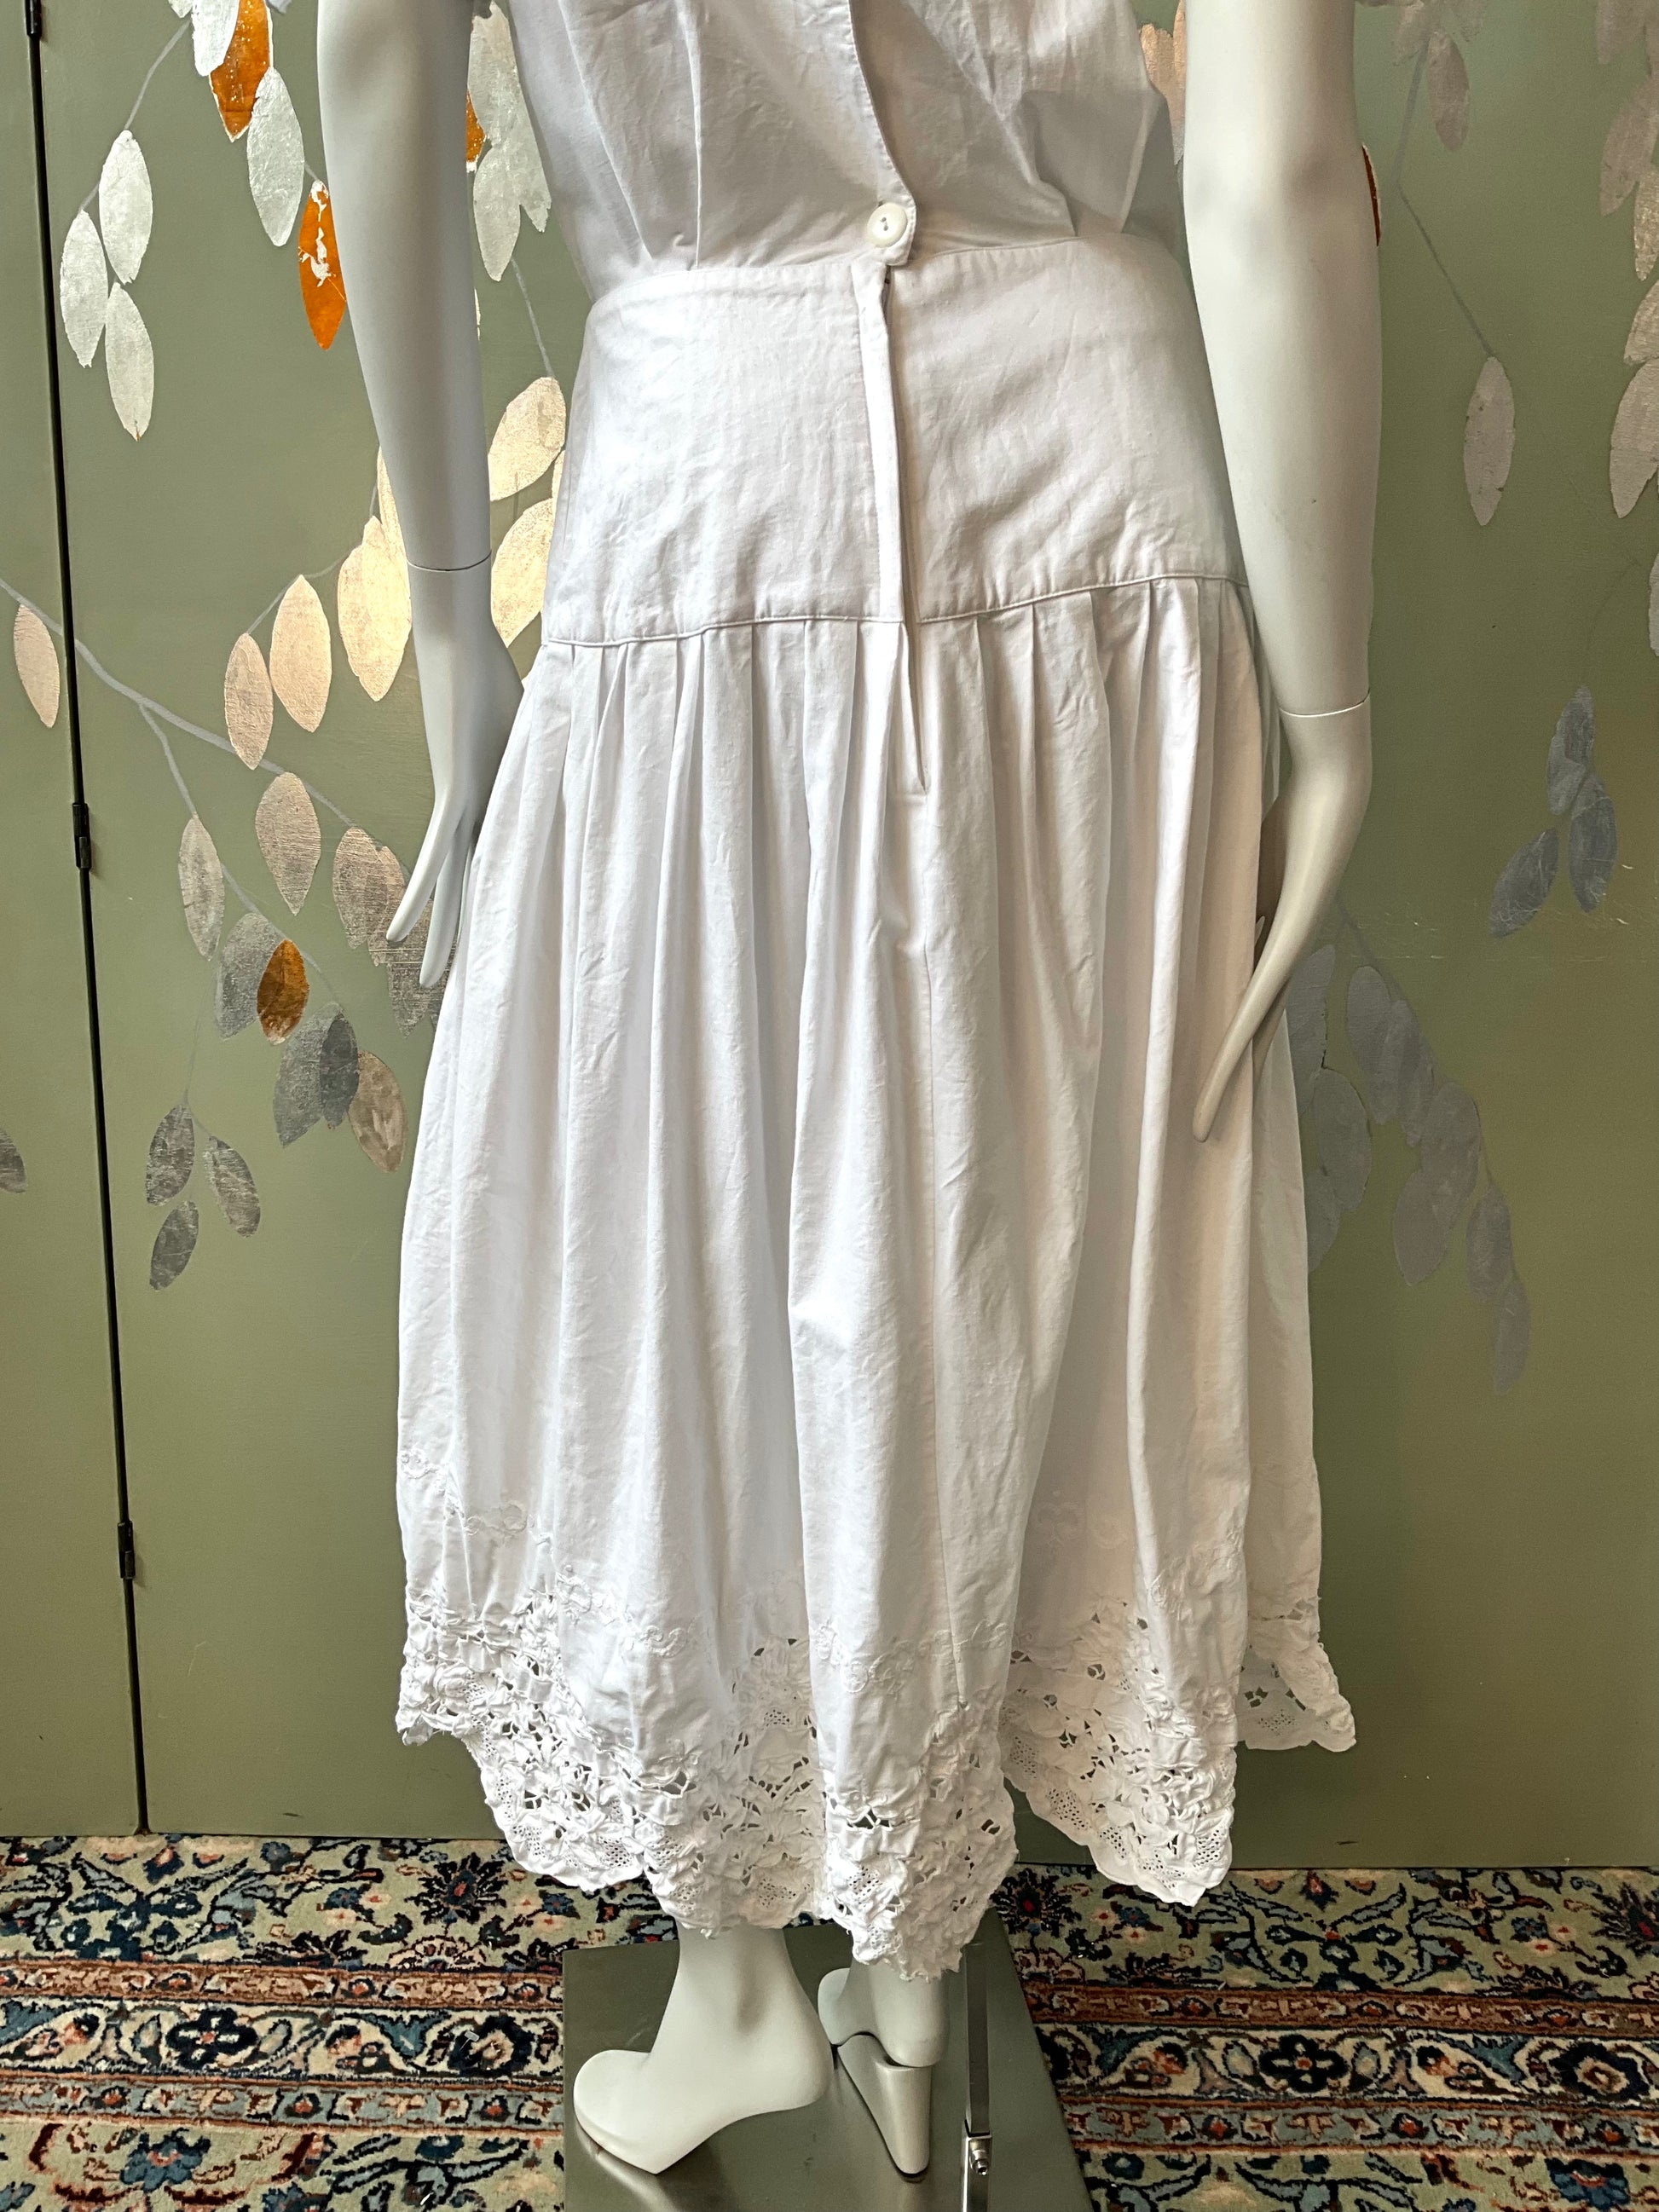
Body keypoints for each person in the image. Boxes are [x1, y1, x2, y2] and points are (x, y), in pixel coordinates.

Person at [318, 0, 1379, 2174]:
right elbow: (1268, 169)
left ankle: (734, 1987)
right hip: (1103, 528)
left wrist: (448, 610)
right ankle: (904, 1996)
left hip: (707, 510)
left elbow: (373, 67)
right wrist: (1330, 697)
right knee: (1005, 1238)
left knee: (682, 1262)